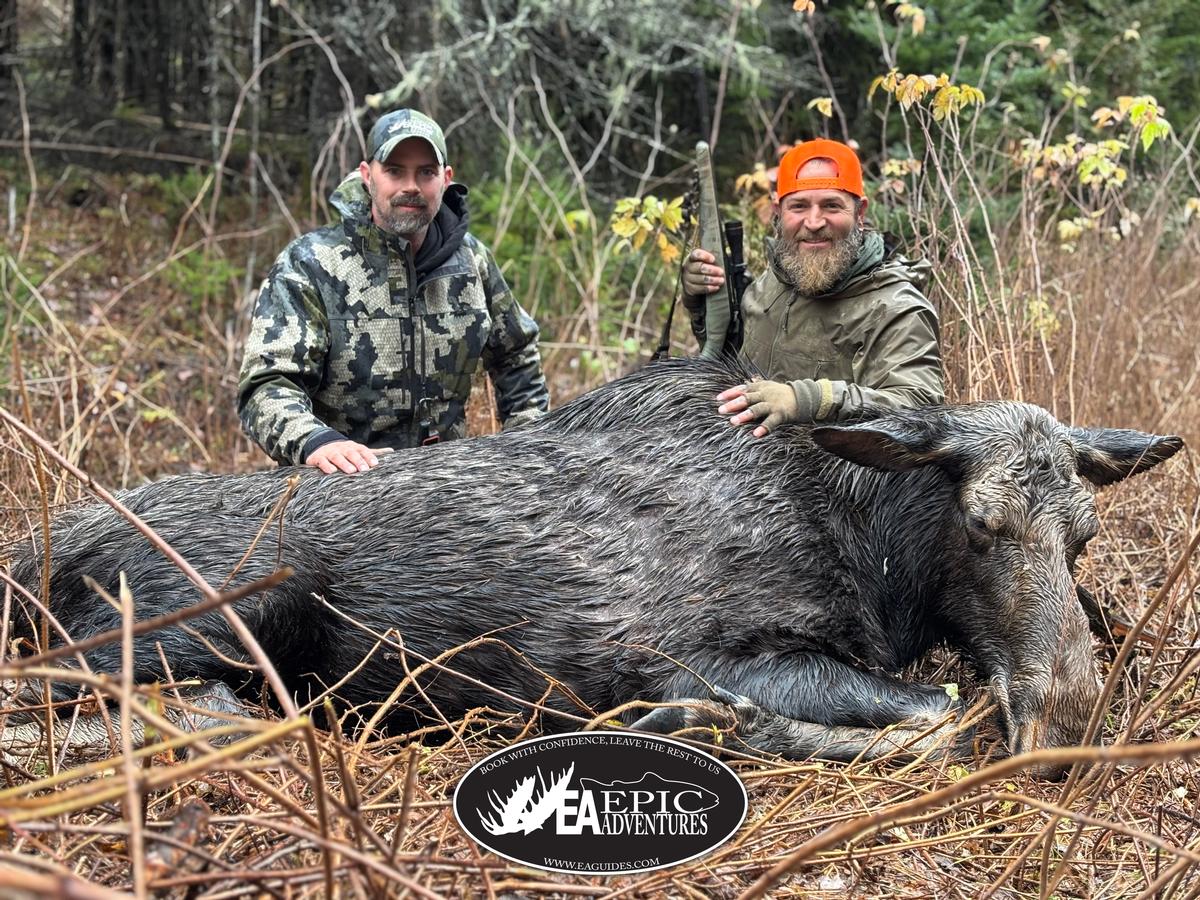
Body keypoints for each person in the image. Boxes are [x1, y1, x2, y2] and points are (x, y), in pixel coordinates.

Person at [238, 108, 549, 473]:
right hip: (338, 486)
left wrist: (523, 448)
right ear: (368, 176)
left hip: (450, 486)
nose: (411, 187)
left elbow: (517, 355)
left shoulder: (471, 261)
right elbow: (267, 385)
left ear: (446, 179)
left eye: (426, 172)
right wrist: (316, 442)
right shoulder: (311, 263)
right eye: (395, 170)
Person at [681, 138, 943, 436]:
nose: (814, 222)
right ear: (778, 211)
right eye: (799, 206)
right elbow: (726, 359)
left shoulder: (895, 308)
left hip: (827, 479)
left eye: (831, 205)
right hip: (740, 466)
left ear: (860, 213)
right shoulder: (775, 280)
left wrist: (804, 400)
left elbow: (919, 409)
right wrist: (700, 301)